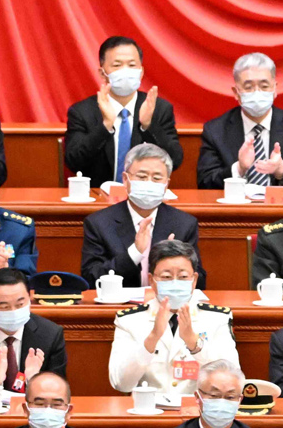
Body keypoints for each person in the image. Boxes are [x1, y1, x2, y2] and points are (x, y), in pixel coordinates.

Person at [109, 241, 234, 392]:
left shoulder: (216, 318)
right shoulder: (129, 320)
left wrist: (194, 344)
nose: (175, 283)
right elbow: (121, 384)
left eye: (183, 276)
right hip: (150, 405)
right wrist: (152, 339)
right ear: (152, 281)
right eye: (166, 276)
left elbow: (230, 379)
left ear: (194, 280)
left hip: (197, 404)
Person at [65, 35, 183, 181]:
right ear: (103, 73)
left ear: (141, 72)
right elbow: (74, 162)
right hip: (99, 194)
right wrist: (105, 126)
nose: (125, 71)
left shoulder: (158, 108)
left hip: (144, 192)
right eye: (117, 65)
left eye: (132, 65)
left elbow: (175, 160)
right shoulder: (83, 111)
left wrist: (148, 126)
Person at [80, 145, 200, 288]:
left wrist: (175, 262)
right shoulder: (99, 223)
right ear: (125, 179)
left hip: (166, 300)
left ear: (166, 184)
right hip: (120, 300)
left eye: (156, 178)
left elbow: (200, 280)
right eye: (142, 177)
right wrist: (134, 253)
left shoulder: (184, 224)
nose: (149, 183)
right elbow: (91, 278)